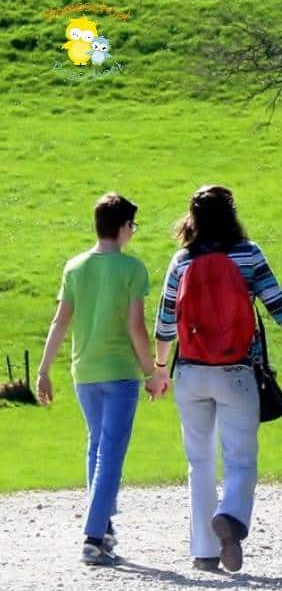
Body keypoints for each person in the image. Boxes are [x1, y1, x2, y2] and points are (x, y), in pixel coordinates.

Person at [147, 185, 282, 573]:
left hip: (191, 372)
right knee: (241, 459)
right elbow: (280, 307)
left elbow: (164, 323)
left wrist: (160, 369)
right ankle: (230, 517)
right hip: (237, 370)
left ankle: (205, 551)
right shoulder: (249, 254)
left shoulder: (182, 261)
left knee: (199, 463)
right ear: (232, 214)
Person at [35, 192, 154, 566]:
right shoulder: (133, 270)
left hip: (83, 371)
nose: (132, 232)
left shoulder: (75, 267)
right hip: (119, 372)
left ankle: (102, 528)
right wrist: (151, 371)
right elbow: (136, 327)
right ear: (122, 227)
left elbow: (60, 321)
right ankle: (93, 535)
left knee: (96, 446)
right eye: (131, 226)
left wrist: (43, 370)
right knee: (111, 453)